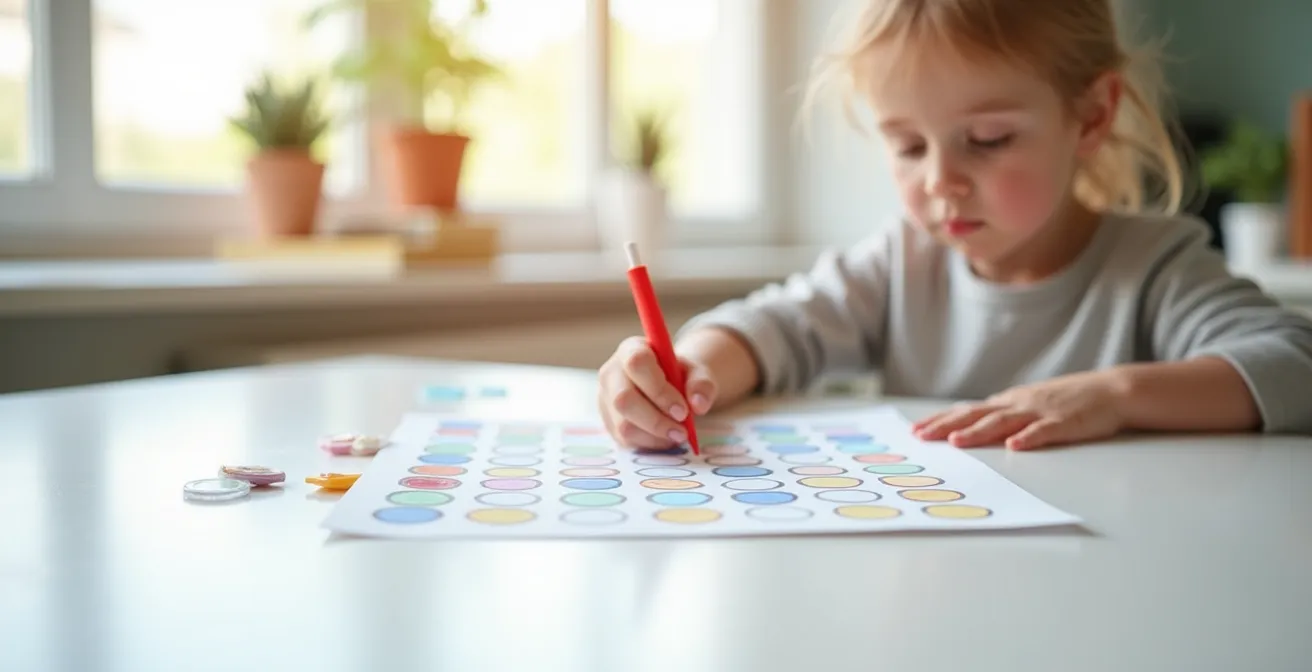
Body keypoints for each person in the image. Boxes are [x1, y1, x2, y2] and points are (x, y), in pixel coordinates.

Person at [597, 0, 1312, 451]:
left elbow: (1294, 365)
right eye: (908, 146)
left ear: (1091, 116)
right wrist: (684, 373)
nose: (939, 180)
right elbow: (773, 327)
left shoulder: (1153, 267)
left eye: (989, 138)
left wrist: (1110, 395)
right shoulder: (902, 264)